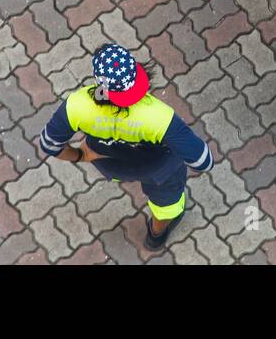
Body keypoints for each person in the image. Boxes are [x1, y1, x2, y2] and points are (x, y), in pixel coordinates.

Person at [38, 43, 214, 250]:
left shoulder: (77, 106)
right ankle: (155, 236)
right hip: (159, 172)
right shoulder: (158, 117)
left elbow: (49, 144)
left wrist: (80, 155)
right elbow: (204, 161)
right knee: (166, 206)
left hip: (113, 167)